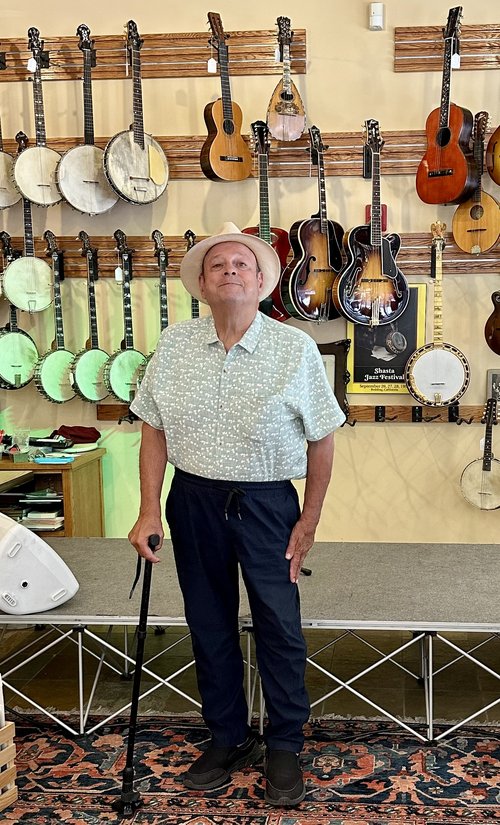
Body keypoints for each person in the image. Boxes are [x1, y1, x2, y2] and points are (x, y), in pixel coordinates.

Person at [128, 222, 345, 806]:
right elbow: (153, 428)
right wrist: (148, 508)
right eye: (217, 264)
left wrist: (310, 521)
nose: (229, 270)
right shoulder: (175, 345)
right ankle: (227, 736)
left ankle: (284, 744)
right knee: (208, 621)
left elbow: (323, 440)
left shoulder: (293, 348)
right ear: (201, 282)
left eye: (241, 264)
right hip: (192, 499)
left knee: (279, 623)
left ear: (260, 280)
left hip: (269, 503)